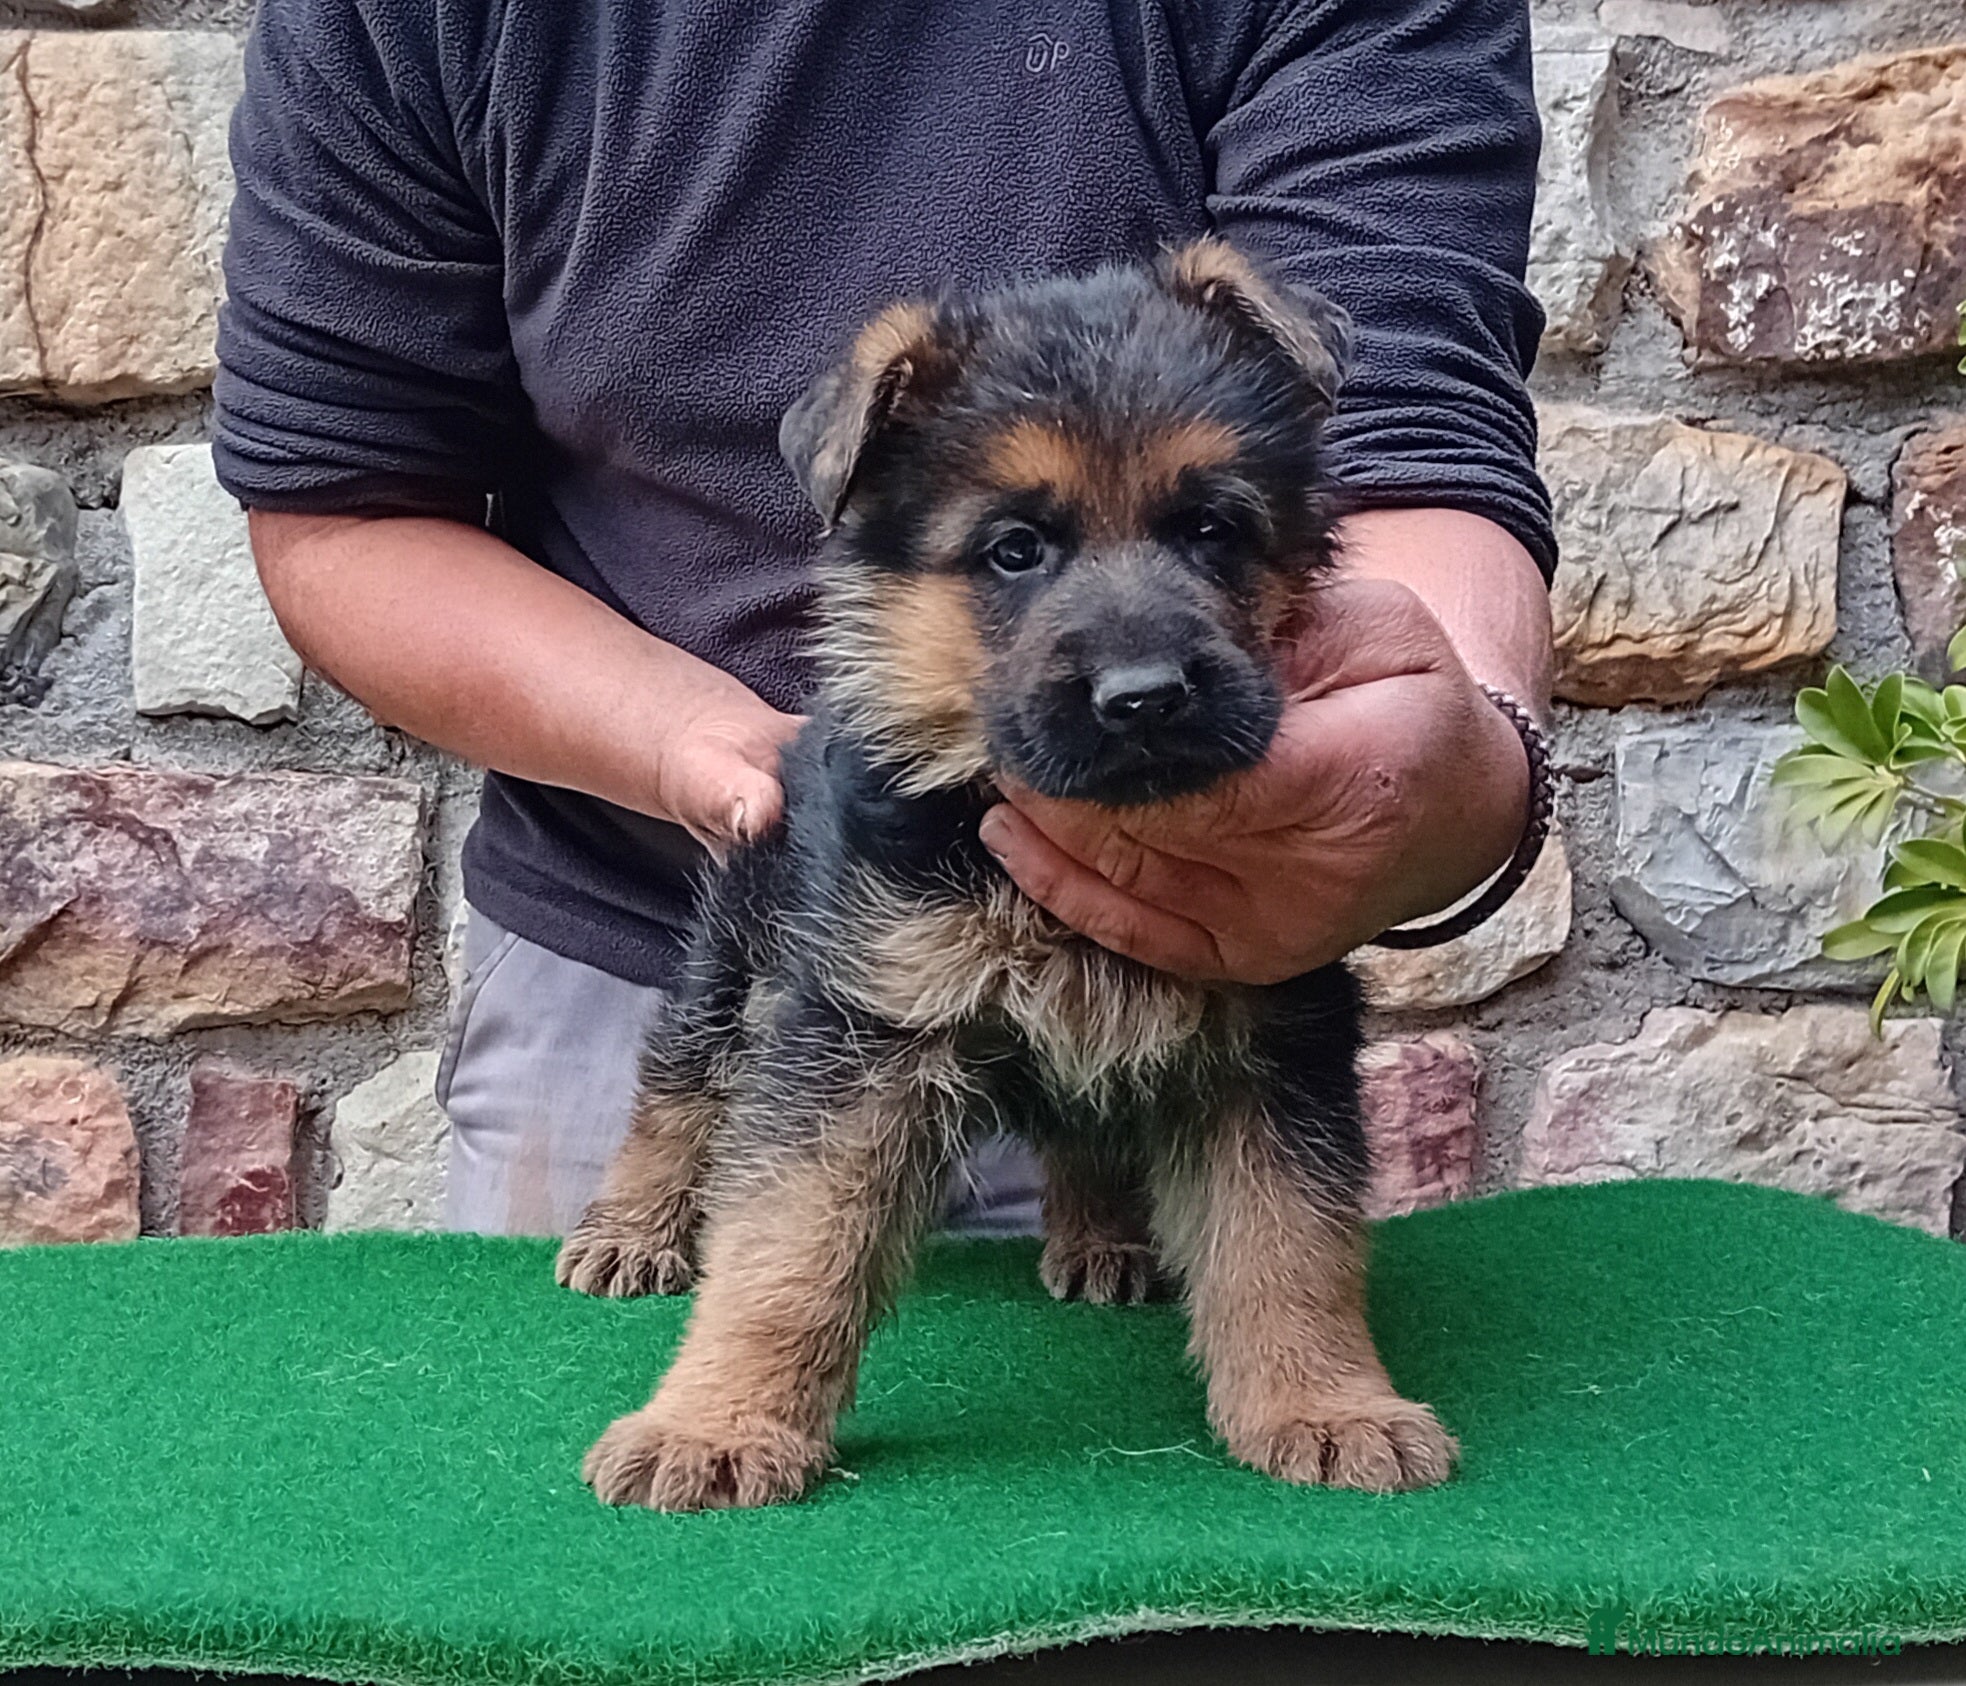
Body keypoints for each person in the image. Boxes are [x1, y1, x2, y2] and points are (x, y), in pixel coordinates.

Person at [214, 0, 1557, 1237]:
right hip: (627, 940)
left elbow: (1402, 426)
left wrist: (1452, 759)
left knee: (1224, 1453)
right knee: (646, 1409)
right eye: (1018, 548)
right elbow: (342, 507)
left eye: (1200, 529)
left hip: (1234, 920)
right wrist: (697, 745)